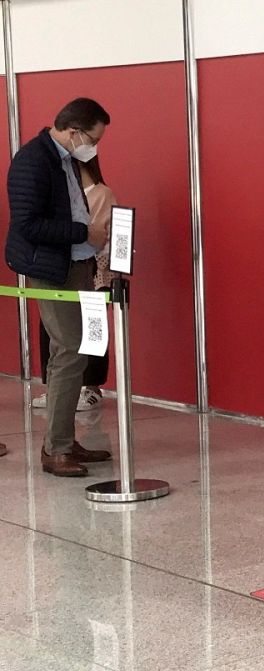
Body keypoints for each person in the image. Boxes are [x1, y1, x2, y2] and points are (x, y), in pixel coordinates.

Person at [5, 97, 118, 474]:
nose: (94, 147)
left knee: (75, 351)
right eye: (92, 138)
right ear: (74, 131)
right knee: (71, 350)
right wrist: (85, 231)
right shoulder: (32, 160)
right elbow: (28, 225)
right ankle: (57, 449)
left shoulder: (66, 159)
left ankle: (64, 441)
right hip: (52, 268)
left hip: (78, 264)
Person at [30, 153, 113, 415]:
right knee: (55, 330)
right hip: (60, 271)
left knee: (92, 330)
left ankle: (91, 387)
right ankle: (58, 387)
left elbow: (104, 235)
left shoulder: (102, 193)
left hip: (92, 270)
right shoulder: (61, 195)